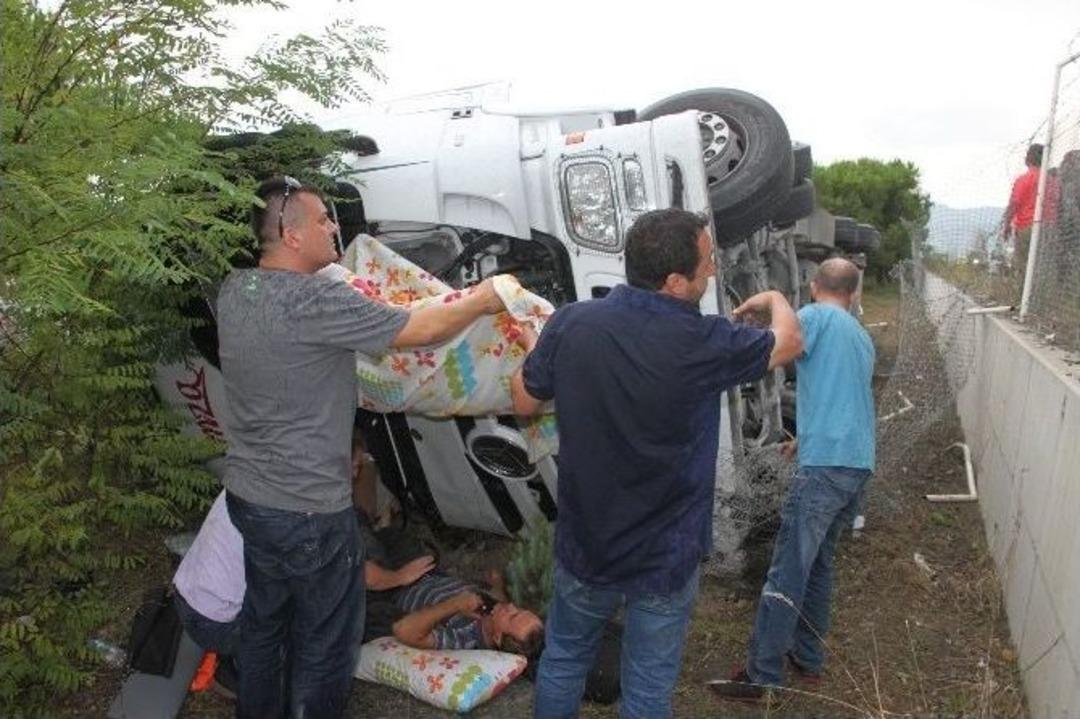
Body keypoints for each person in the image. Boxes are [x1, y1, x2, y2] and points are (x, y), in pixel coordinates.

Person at [217, 176, 511, 719]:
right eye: (324, 219)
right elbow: (420, 329)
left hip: (250, 500)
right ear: (291, 232)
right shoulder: (316, 297)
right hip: (308, 510)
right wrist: (485, 296)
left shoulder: (236, 291)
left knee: (265, 629)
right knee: (326, 646)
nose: (334, 226)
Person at [511, 208, 803, 719]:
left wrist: (551, 360)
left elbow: (524, 402)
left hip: (588, 543)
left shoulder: (573, 322)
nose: (711, 271)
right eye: (707, 262)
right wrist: (776, 297)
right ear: (674, 281)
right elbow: (790, 341)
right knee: (647, 686)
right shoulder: (705, 341)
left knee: (564, 659)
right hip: (664, 558)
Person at [710, 257, 875, 703]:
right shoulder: (860, 336)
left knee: (787, 569)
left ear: (813, 285)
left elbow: (777, 350)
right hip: (855, 463)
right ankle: (808, 658)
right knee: (818, 565)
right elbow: (845, 396)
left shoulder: (813, 317)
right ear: (853, 292)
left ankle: (762, 676)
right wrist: (805, 438)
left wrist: (766, 305)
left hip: (825, 470)